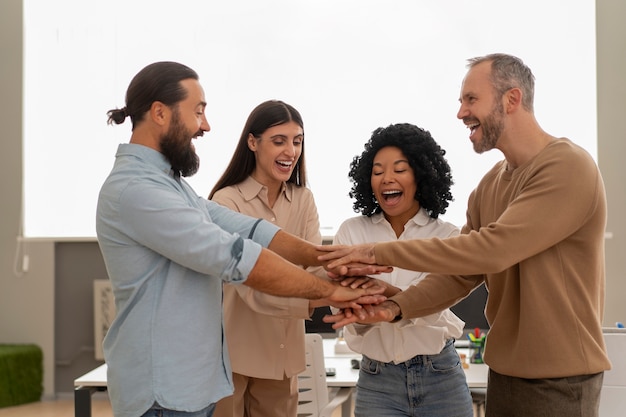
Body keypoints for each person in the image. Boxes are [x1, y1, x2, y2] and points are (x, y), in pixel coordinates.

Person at [319, 53, 610, 417]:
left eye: (471, 99)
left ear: (512, 99)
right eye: (460, 101)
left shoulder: (567, 166)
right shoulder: (489, 186)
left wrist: (379, 253)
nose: (461, 112)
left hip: (561, 379)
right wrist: (395, 309)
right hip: (505, 373)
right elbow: (460, 272)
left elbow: (492, 250)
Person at [96, 61, 385, 417]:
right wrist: (329, 291)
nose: (205, 125)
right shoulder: (138, 190)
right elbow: (235, 256)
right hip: (163, 393)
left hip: (190, 387)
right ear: (159, 113)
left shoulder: (170, 186)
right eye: (198, 111)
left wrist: (323, 257)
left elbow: (248, 229)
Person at [333, 122, 473, 417]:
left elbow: (434, 304)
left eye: (399, 169)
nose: (386, 178)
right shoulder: (351, 234)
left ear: (420, 175)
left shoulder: (447, 236)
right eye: (378, 170)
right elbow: (349, 311)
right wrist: (394, 300)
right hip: (377, 379)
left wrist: (382, 296)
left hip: (440, 375)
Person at [208, 100, 332, 417]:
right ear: (253, 142)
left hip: (283, 358)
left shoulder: (304, 200)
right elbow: (245, 283)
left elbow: (314, 270)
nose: (290, 150)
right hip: (232, 359)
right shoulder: (227, 201)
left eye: (297, 141)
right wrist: (316, 297)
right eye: (279, 141)